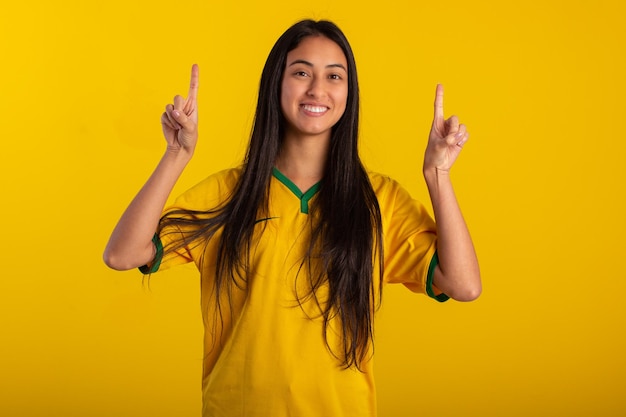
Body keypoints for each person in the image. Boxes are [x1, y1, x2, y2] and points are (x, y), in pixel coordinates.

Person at [104, 19, 480, 417]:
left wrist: (437, 175)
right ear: (276, 85)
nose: (317, 89)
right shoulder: (230, 193)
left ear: (348, 93)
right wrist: (176, 155)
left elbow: (463, 284)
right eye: (301, 72)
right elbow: (123, 254)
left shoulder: (378, 200)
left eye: (334, 76)